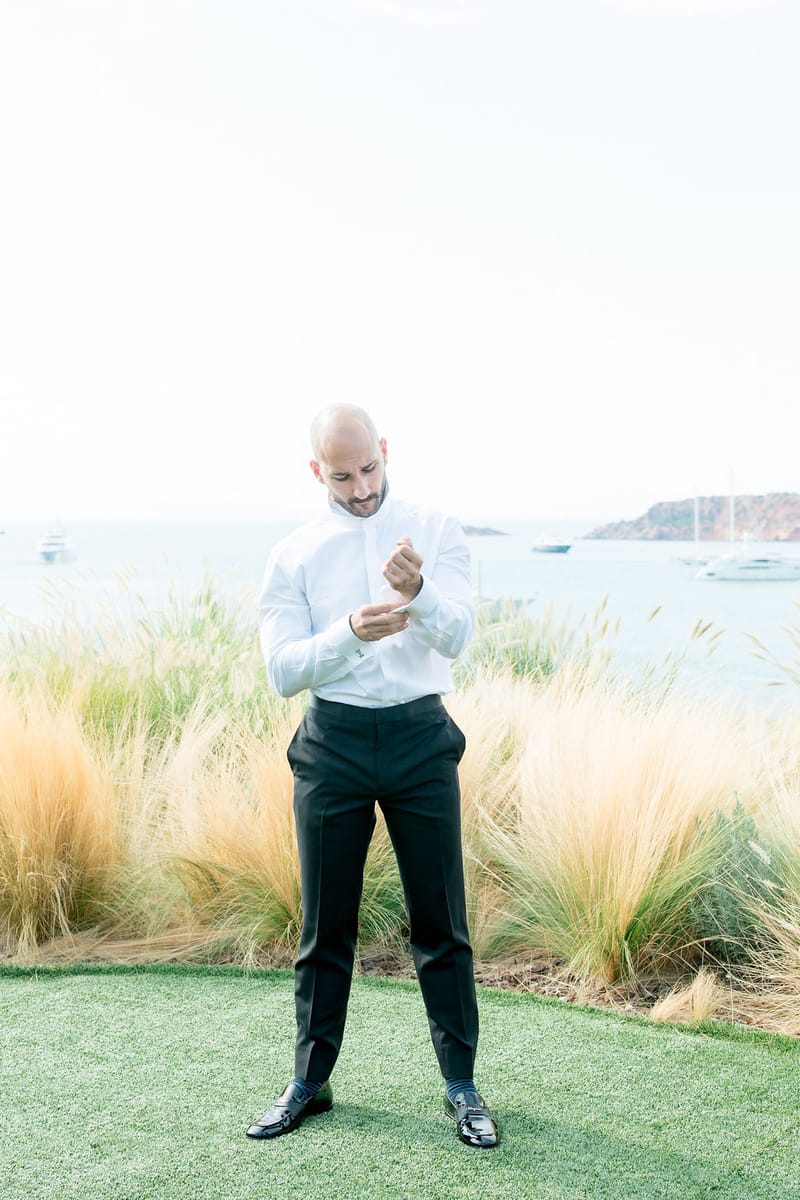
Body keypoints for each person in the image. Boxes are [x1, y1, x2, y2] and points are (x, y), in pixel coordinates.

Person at [246, 404, 499, 1149]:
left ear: (386, 452)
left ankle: (462, 1085)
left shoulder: (437, 529)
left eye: (370, 470)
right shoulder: (292, 554)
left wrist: (418, 594)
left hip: (421, 735)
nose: (360, 488)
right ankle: (310, 1082)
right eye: (343, 475)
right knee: (325, 927)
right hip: (334, 742)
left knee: (440, 924)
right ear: (316, 471)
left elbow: (460, 636)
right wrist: (350, 634)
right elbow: (283, 669)